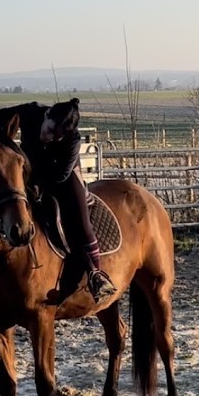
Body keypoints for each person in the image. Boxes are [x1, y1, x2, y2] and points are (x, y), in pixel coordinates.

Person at [20, 98, 116, 303]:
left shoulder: (73, 140)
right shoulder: (31, 113)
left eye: (57, 136)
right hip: (32, 169)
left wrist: (40, 183)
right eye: (50, 130)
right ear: (46, 116)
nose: (50, 137)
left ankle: (96, 275)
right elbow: (3, 116)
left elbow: (62, 174)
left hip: (62, 175)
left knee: (82, 223)